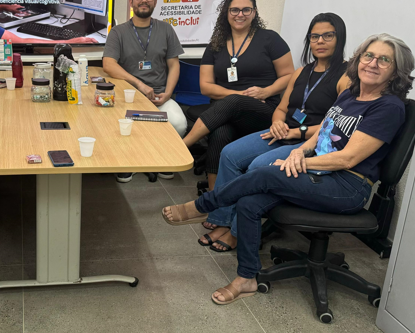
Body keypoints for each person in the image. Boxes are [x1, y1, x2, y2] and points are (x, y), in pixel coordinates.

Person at [162, 33, 413, 305]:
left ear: (396, 71)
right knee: (249, 202)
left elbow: (347, 159)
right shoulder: (351, 95)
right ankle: (247, 277)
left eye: (384, 60)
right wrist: (299, 151)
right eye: (369, 56)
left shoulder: (389, 107)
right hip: (318, 172)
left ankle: (202, 205)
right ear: (359, 59)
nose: (373, 63)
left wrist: (300, 162)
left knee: (268, 171)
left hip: (347, 186)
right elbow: (322, 134)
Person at [199, 13, 350, 252]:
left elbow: (335, 126)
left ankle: (238, 233)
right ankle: (221, 220)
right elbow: (281, 108)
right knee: (229, 153)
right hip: (281, 133)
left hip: (308, 143)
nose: (320, 41)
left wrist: (296, 132)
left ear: (339, 38)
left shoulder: (346, 77)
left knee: (257, 166)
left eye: (327, 35)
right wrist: (277, 123)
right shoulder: (302, 73)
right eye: (314, 36)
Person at [182, 0, 295, 192]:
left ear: (254, 12)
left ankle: (182, 146)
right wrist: (240, 95)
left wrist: (266, 91)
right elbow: (205, 86)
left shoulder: (270, 39)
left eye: (246, 10)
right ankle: (214, 196)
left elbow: (289, 76)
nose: (240, 14)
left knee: (234, 103)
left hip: (263, 108)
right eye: (234, 10)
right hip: (224, 109)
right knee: (220, 132)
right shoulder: (215, 45)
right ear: (226, 13)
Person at [103, 0, 187, 183]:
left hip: (160, 95)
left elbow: (174, 65)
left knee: (179, 123)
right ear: (131, 1)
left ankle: (162, 160)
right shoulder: (118, 32)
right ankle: (128, 162)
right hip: (128, 96)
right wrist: (139, 84)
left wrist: (167, 92)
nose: (144, 0)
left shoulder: (166, 29)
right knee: (119, 127)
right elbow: (108, 64)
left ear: (155, 2)